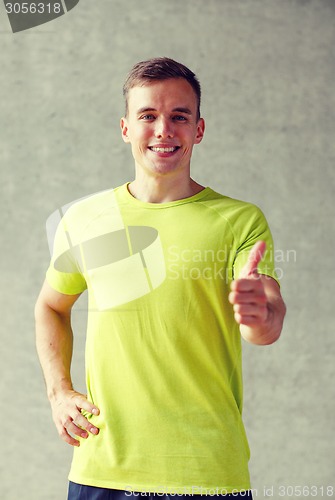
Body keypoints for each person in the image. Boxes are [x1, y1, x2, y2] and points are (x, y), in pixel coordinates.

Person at [35, 57, 286, 500]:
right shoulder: (87, 219)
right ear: (126, 128)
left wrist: (258, 312)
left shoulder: (239, 221)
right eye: (148, 116)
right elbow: (52, 306)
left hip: (207, 473)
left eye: (179, 117)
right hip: (102, 470)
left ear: (199, 129)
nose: (164, 129)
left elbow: (264, 323)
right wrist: (59, 391)